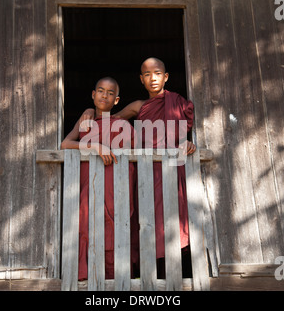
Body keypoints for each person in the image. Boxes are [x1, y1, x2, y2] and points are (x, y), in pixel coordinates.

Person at [79, 58, 196, 278]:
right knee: (147, 224)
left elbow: (184, 136)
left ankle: (172, 279)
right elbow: (107, 119)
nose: (153, 78)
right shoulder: (138, 106)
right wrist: (88, 109)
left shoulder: (179, 103)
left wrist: (188, 141)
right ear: (141, 79)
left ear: (166, 77)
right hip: (146, 174)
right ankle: (148, 276)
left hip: (172, 169)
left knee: (172, 223)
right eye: (147, 74)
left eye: (158, 73)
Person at [61, 77, 139, 280]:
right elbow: (65, 144)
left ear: (117, 100)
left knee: (116, 232)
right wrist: (94, 146)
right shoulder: (86, 121)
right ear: (93, 95)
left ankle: (117, 280)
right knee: (86, 227)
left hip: (115, 190)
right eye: (101, 91)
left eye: (110, 93)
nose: (105, 95)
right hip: (89, 187)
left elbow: (136, 156)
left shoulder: (122, 124)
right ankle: (86, 280)